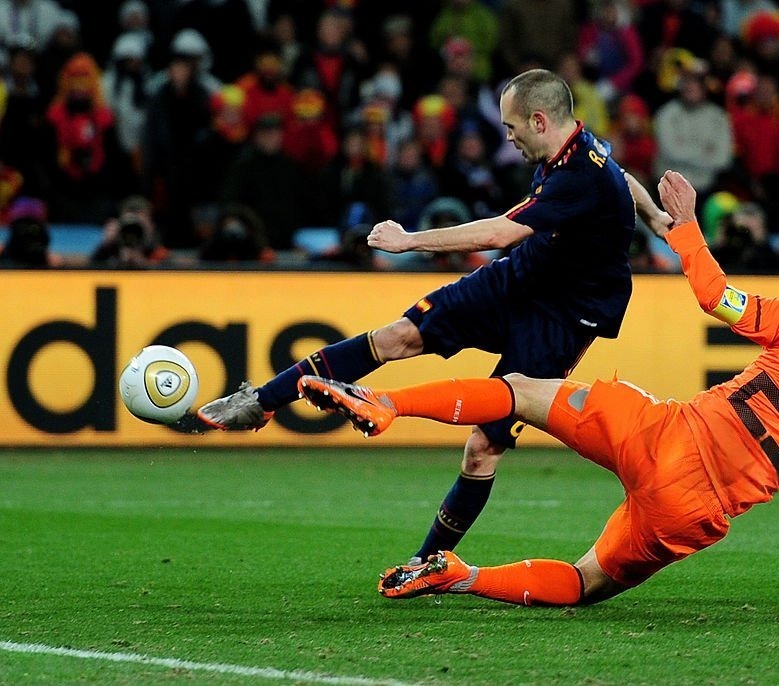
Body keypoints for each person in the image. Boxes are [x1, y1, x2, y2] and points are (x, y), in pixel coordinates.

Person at [296, 170, 779, 611]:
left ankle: (387, 402)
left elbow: (720, 300)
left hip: (664, 435)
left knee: (522, 390)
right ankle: (459, 575)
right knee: (586, 584)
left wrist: (685, 230)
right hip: (693, 513)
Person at [198, 69, 658, 566]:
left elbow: (500, 234)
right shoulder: (582, 145)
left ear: (540, 121)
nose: (508, 137)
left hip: (564, 318)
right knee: (397, 336)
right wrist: (656, 217)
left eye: (512, 127)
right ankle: (262, 402)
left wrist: (409, 241)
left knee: (483, 448)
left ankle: (426, 565)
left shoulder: (579, 178)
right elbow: (624, 178)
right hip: (522, 279)